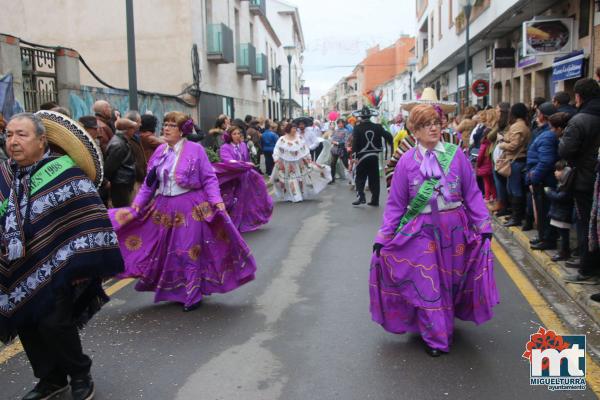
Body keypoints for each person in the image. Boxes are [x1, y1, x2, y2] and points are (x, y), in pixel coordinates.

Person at [1, 111, 124, 400]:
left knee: (54, 323)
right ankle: (50, 379)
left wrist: (80, 262)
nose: (14, 141)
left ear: (42, 140)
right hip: (17, 268)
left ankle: (80, 374)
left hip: (59, 265)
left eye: (22, 135)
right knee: (27, 324)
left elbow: (89, 215)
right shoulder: (5, 176)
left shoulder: (64, 171)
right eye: (9, 135)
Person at [369, 104, 498, 357]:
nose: (434, 128)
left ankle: (443, 324)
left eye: (437, 123)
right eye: (427, 124)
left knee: (450, 283)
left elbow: (472, 193)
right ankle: (436, 338)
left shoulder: (456, 154)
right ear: (414, 131)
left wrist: (483, 225)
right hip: (422, 231)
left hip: (456, 228)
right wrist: (384, 237)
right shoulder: (406, 162)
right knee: (430, 285)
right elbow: (396, 205)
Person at [109, 112, 257, 311]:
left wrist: (216, 201)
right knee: (164, 251)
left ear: (182, 131)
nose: (166, 128)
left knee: (189, 251)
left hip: (190, 207)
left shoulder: (195, 150)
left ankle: (192, 294)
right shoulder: (160, 151)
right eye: (166, 124)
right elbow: (150, 181)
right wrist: (138, 204)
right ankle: (177, 290)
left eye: (172, 125)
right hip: (163, 208)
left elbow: (209, 178)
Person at [558, 78, 600, 284]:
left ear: (578, 96)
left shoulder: (580, 119)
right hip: (594, 176)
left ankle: (587, 268)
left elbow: (566, 150)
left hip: (586, 179)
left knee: (586, 225)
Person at [215, 126, 273, 232]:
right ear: (229, 136)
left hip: (247, 176)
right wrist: (244, 164)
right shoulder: (225, 147)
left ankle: (251, 220)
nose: (237, 136)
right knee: (236, 201)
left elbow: (247, 159)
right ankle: (234, 224)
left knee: (251, 199)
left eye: (238, 133)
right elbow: (228, 161)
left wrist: (247, 165)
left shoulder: (243, 145)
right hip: (233, 178)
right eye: (234, 134)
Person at [526, 102, 559, 251]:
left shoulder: (547, 135)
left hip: (543, 179)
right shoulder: (542, 132)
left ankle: (547, 238)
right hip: (541, 177)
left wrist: (534, 177)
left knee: (545, 210)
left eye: (538, 112)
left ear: (542, 116)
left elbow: (546, 161)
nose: (536, 115)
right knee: (542, 209)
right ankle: (543, 236)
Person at [271, 123, 331, 202]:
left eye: (295, 128)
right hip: (286, 163)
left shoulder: (299, 138)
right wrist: (276, 158)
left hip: (298, 163)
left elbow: (305, 148)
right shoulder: (282, 139)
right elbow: (277, 149)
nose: (295, 130)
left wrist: (308, 157)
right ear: (289, 129)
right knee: (289, 180)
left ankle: (297, 196)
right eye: (293, 128)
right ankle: (290, 196)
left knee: (298, 179)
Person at [351, 106, 393, 206]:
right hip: (374, 157)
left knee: (360, 177)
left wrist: (354, 157)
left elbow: (355, 143)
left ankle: (361, 197)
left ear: (361, 117)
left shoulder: (357, 128)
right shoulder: (378, 127)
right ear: (370, 116)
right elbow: (389, 136)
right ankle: (375, 200)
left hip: (362, 157)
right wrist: (390, 147)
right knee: (374, 178)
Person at [499, 103, 531, 227]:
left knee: (515, 189)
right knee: (512, 188)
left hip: (516, 160)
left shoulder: (518, 126)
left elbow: (514, 144)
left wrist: (502, 144)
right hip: (516, 160)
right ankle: (515, 215)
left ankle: (517, 217)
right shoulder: (520, 125)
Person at [104, 118, 137, 207]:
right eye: (133, 128)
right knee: (121, 210)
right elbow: (109, 167)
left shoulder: (121, 141)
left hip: (123, 183)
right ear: (128, 130)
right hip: (120, 185)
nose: (135, 131)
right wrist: (106, 181)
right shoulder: (118, 145)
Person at [546, 159, 574, 261]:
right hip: (559, 213)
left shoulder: (567, 186)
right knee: (561, 233)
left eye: (558, 170)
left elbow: (560, 197)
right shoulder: (562, 183)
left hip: (563, 214)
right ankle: (564, 250)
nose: (555, 172)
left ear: (565, 172)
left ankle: (564, 251)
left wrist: (549, 192)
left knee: (563, 234)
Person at [329, 119, 351, 184]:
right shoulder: (335, 131)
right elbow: (332, 139)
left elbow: (346, 141)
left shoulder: (346, 131)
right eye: (339, 123)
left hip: (342, 149)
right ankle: (332, 178)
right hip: (335, 149)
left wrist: (337, 143)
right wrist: (333, 141)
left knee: (346, 164)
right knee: (332, 164)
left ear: (343, 124)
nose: (340, 125)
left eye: (341, 123)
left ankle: (353, 177)